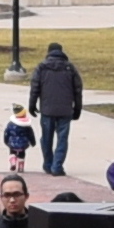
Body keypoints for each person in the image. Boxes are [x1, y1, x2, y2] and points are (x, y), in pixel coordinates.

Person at [26, 42, 82, 176]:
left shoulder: (42, 67)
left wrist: (32, 105)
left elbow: (35, 88)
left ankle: (48, 163)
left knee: (46, 138)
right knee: (62, 139)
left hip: (47, 109)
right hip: (65, 110)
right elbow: (78, 90)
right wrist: (77, 109)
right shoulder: (70, 68)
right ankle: (57, 166)